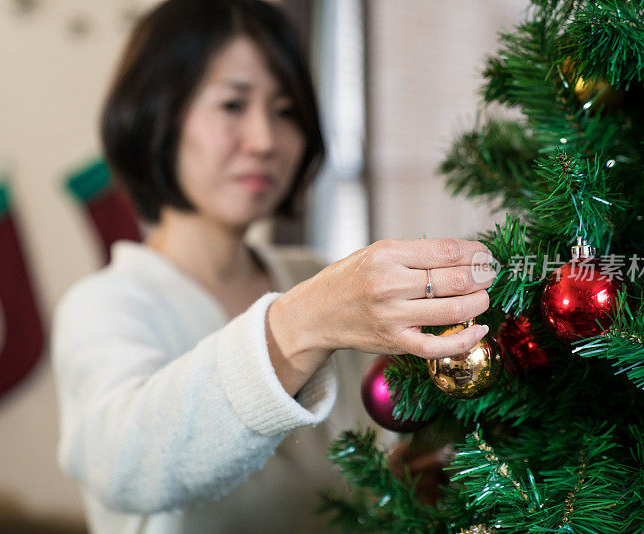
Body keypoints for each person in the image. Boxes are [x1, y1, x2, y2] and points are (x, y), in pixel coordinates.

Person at [51, 0, 496, 532]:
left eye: (286, 111)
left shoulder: (314, 272)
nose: (264, 140)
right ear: (157, 115)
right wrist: (303, 323)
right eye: (233, 105)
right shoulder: (105, 305)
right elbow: (122, 463)